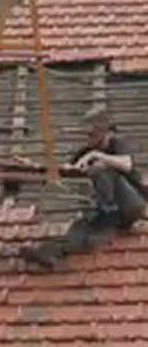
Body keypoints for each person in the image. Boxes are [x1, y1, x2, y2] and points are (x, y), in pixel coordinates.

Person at [22, 107, 147, 270]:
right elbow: (67, 169)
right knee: (80, 229)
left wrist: (97, 155)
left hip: (132, 203)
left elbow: (127, 164)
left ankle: (107, 210)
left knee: (101, 167)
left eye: (92, 134)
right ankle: (50, 254)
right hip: (114, 214)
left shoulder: (117, 143)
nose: (88, 138)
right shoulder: (87, 151)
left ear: (105, 131)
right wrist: (37, 167)